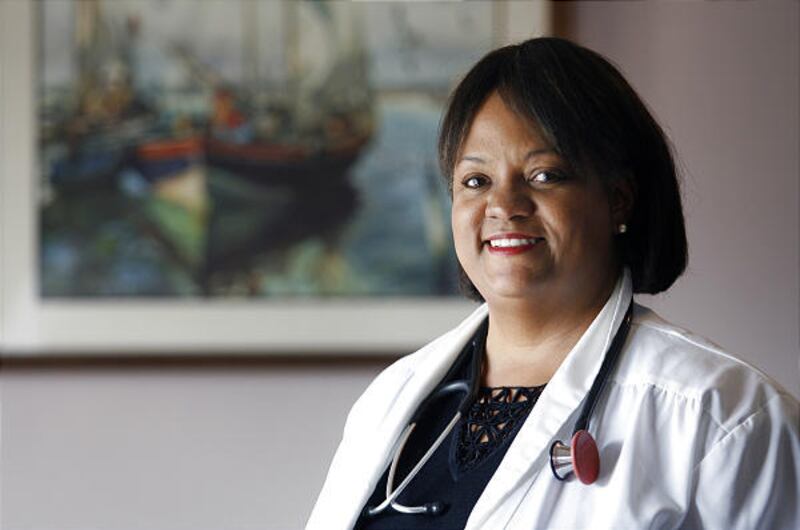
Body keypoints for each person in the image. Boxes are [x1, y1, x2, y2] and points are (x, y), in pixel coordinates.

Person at [306, 37, 800, 530]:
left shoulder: (724, 417)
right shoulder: (390, 401)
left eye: (544, 175)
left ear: (619, 200)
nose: (504, 205)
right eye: (476, 181)